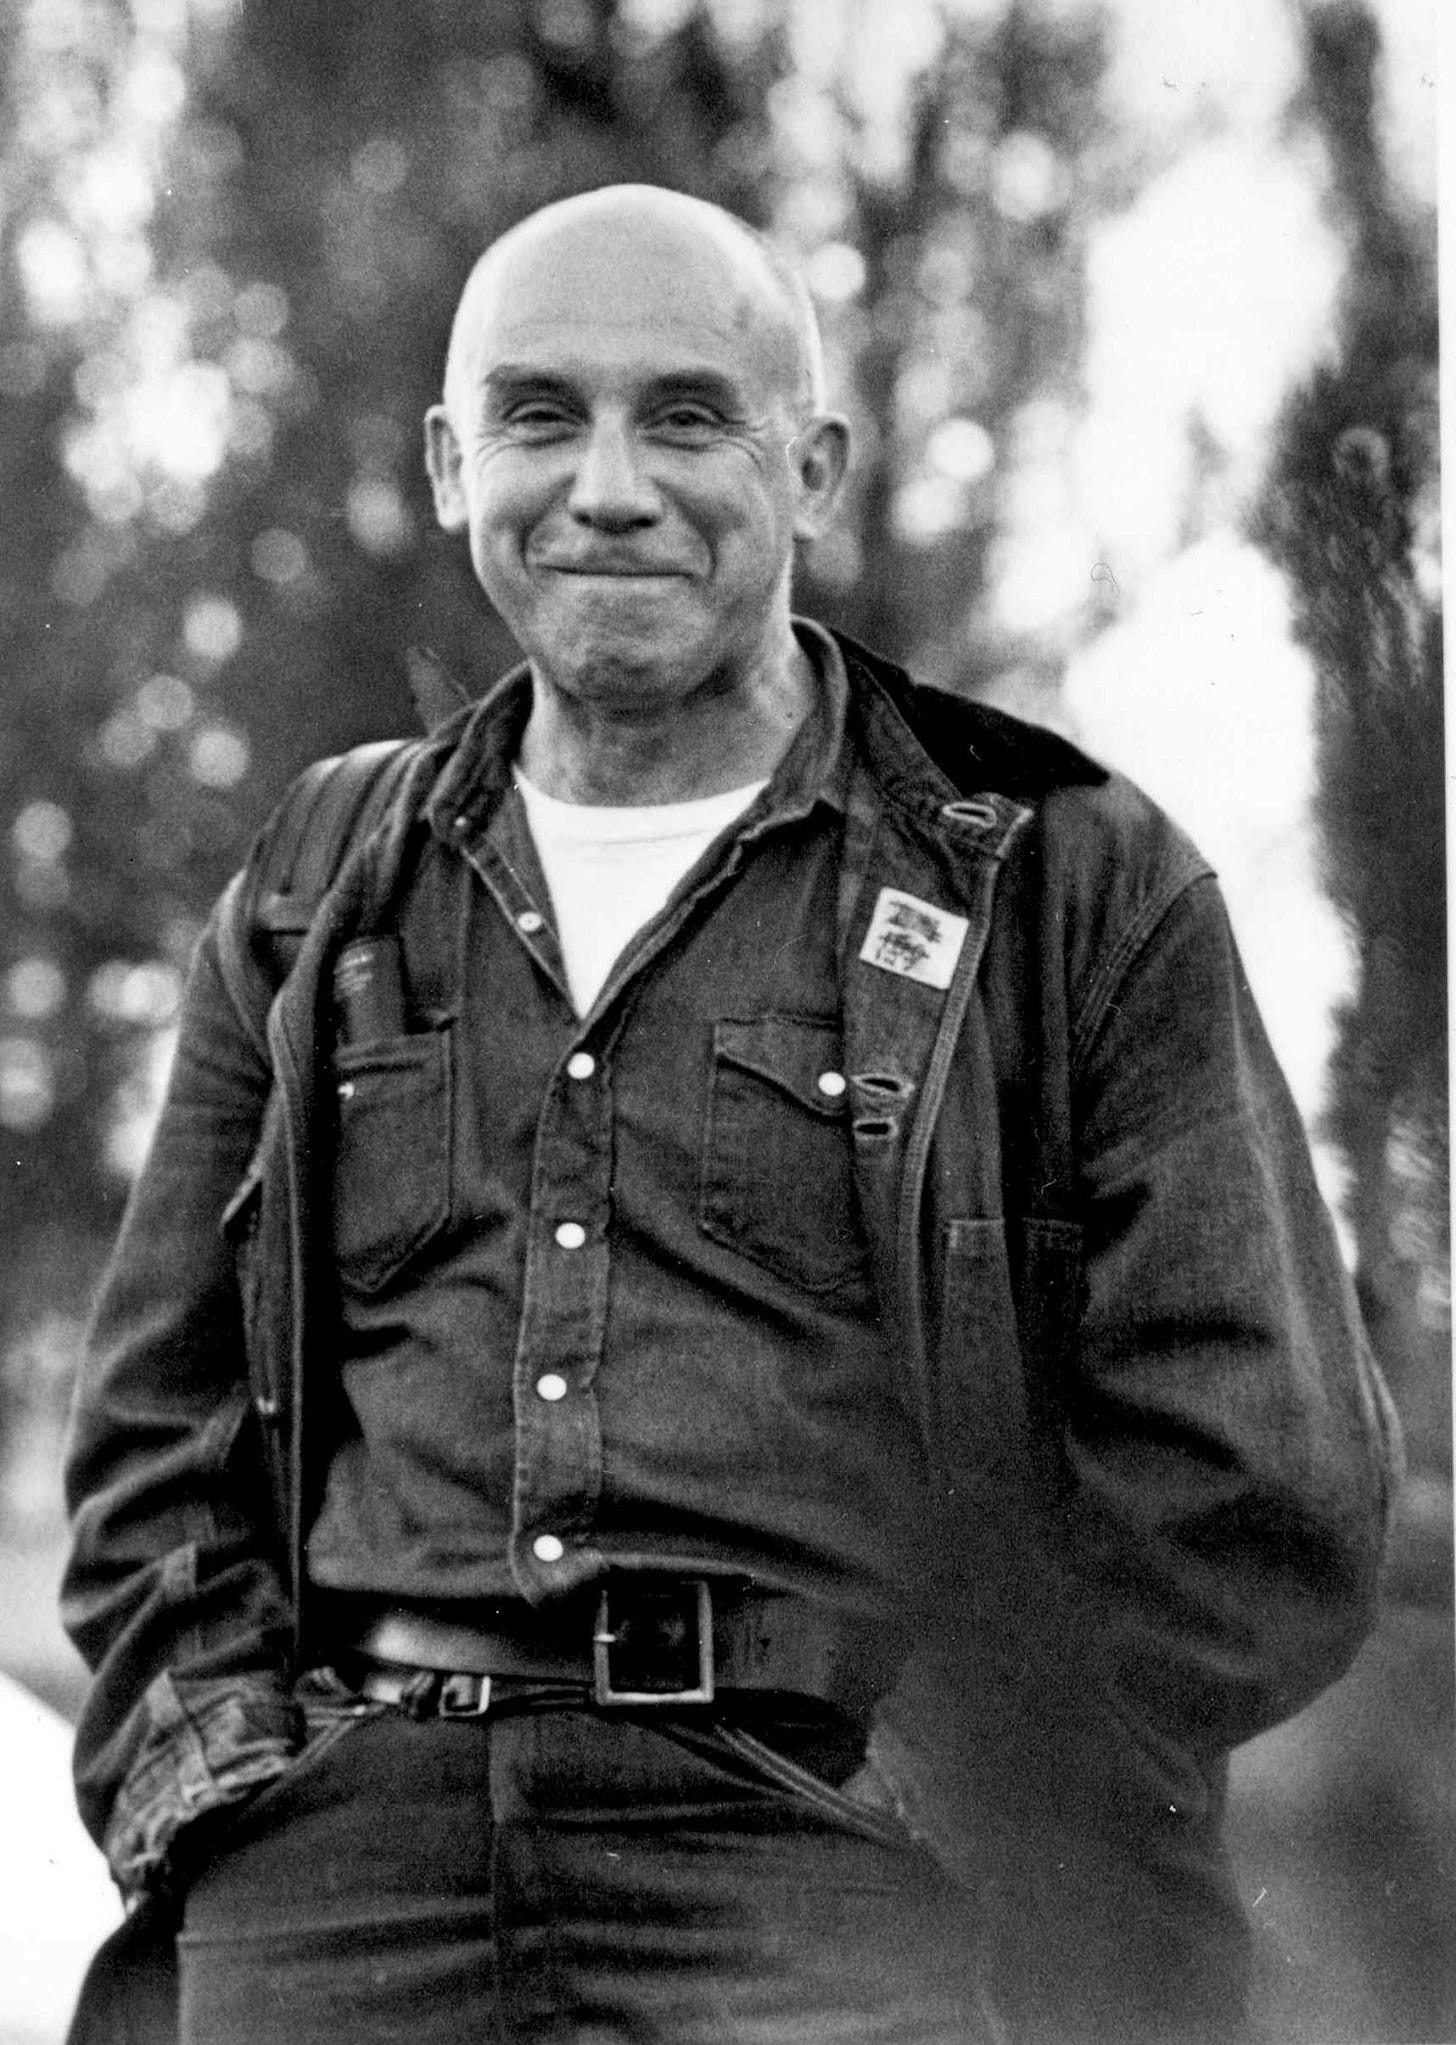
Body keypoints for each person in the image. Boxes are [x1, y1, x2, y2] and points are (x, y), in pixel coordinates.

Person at [61, 183, 1400, 2045]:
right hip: (343, 1881)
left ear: (815, 468)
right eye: (540, 417)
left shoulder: (1062, 875)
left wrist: (957, 1791)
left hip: (836, 1875)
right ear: (451, 466)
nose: (608, 487)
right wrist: (221, 1804)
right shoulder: (312, 886)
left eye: (687, 417)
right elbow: (154, 1442)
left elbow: (1261, 1482)